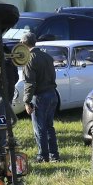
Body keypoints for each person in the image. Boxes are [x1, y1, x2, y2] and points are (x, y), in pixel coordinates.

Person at [22, 32, 61, 163]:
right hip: (52, 93)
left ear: (23, 44)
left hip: (39, 96)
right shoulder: (47, 57)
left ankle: (43, 156)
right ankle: (54, 155)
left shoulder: (29, 59)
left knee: (39, 128)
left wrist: (27, 101)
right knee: (49, 126)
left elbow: (29, 83)